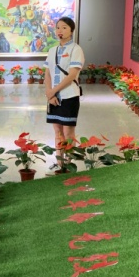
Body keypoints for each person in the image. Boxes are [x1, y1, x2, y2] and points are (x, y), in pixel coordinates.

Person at [44, 17, 85, 175]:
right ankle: (59, 163)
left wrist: (53, 91)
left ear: (71, 31)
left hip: (69, 96)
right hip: (53, 98)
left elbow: (72, 75)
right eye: (58, 28)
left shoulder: (76, 49)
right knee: (57, 132)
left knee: (68, 132)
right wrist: (49, 93)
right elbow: (47, 73)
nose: (60, 31)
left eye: (64, 28)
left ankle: (68, 164)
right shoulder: (52, 50)